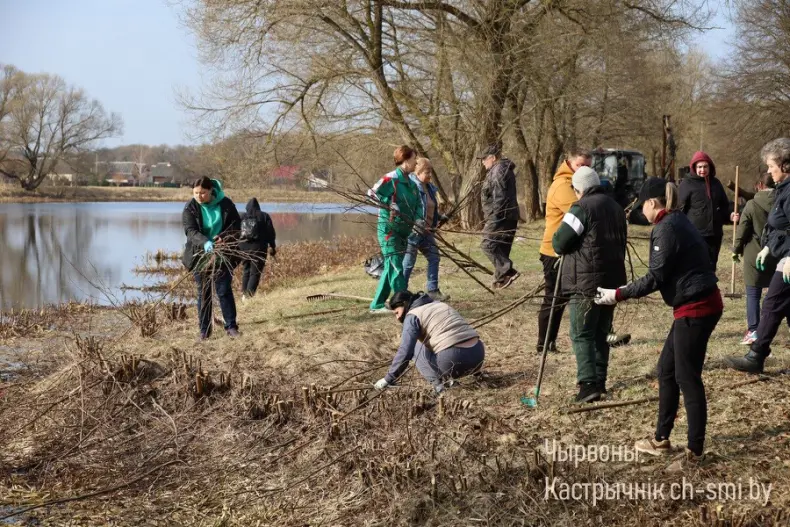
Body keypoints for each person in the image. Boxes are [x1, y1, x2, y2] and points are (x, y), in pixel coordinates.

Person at [596, 177, 722, 465]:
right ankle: (661, 439)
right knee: (666, 370)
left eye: (643, 205)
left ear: (653, 203)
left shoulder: (666, 228)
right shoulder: (676, 221)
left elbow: (656, 277)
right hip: (693, 306)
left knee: (687, 377)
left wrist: (617, 294)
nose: (642, 211)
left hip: (698, 307)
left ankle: (695, 452)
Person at [551, 167, 627, 403]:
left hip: (585, 282)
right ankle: (600, 382)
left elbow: (560, 242)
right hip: (613, 280)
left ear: (578, 189)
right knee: (601, 332)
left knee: (581, 333)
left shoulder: (581, 208)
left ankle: (587, 385)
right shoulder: (615, 208)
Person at [727, 138, 790, 374]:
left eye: (772, 166)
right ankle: (757, 353)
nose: (769, 171)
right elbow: (780, 226)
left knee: (772, 304)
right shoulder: (783, 190)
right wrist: (768, 247)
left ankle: (756, 355)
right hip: (782, 254)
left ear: (785, 165)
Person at [373, 290, 485, 394]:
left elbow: (406, 351)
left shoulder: (413, 315)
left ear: (405, 304)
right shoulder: (440, 304)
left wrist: (388, 379)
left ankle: (439, 386)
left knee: (416, 345)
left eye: (397, 312)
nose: (397, 318)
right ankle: (465, 376)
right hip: (478, 355)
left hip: (453, 360)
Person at [538, 149, 592, 353]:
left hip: (568, 250)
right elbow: (579, 211)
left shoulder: (580, 183)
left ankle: (549, 342)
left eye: (588, 165)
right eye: (580, 165)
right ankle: (543, 343)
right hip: (554, 251)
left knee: (562, 298)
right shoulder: (563, 185)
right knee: (554, 298)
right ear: (568, 163)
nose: (584, 169)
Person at [182, 177, 242, 340]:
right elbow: (190, 231)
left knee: (223, 290)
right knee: (204, 292)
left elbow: (236, 227)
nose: (199, 197)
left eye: (203, 193)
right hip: (200, 254)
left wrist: (224, 237)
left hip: (223, 253)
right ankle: (204, 331)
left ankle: (231, 327)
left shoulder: (226, 204)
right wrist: (205, 242)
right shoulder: (190, 207)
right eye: (196, 193)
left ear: (211, 191)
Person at [367, 146, 423, 314]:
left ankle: (376, 305)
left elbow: (418, 204)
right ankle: (403, 304)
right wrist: (388, 203)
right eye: (414, 159)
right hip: (389, 231)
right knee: (396, 266)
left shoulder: (412, 184)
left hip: (404, 232)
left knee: (391, 267)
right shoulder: (391, 179)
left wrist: (419, 220)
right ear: (405, 160)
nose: (416, 162)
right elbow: (371, 194)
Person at [731, 172, 777, 344]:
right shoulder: (783, 202)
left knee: (753, 294)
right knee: (777, 293)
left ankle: (754, 330)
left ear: (760, 185)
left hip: (754, 253)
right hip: (777, 253)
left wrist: (736, 249)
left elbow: (743, 229)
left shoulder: (751, 204)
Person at [402, 157, 449, 300]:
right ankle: (401, 294)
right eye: (427, 172)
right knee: (409, 262)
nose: (430, 175)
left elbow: (429, 208)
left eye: (430, 171)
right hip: (414, 232)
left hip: (427, 232)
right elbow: (407, 209)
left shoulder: (429, 188)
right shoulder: (411, 187)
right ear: (418, 172)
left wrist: (440, 217)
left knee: (434, 257)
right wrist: (415, 224)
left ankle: (433, 290)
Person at [679, 151, 730, 270]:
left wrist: (730, 216)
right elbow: (679, 209)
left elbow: (724, 205)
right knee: (696, 266)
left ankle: (711, 288)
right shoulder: (686, 184)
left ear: (710, 167)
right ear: (694, 168)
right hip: (695, 234)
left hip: (714, 234)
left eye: (705, 166)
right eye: (700, 167)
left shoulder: (716, 183)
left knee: (711, 265)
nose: (703, 170)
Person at [478, 142, 520, 289]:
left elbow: (499, 197)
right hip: (509, 215)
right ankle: (501, 280)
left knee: (487, 244)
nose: (482, 162)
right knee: (501, 248)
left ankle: (508, 271)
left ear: (493, 157)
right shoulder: (503, 169)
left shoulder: (498, 171)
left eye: (484, 158)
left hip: (501, 216)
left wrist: (494, 217)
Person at [238, 197, 277, 302]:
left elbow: (236, 232)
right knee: (255, 273)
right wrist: (272, 246)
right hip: (258, 248)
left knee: (246, 271)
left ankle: (244, 295)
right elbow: (271, 233)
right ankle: (248, 297)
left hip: (243, 248)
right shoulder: (264, 216)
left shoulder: (242, 216)